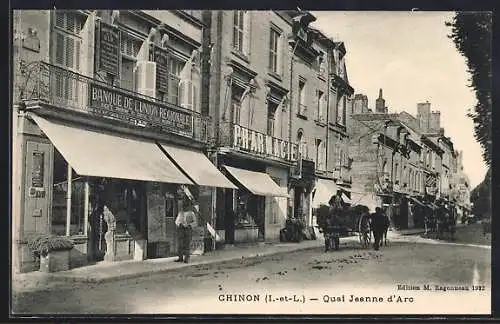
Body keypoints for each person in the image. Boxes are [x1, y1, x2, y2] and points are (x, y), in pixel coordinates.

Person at [175, 198, 197, 263]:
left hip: (188, 229)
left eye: (186, 205)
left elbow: (195, 222)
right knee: (180, 244)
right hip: (181, 229)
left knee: (187, 243)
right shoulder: (180, 213)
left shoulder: (191, 213)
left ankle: (186, 258)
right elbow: (176, 221)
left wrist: (190, 225)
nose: (185, 207)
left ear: (188, 206)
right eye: (184, 205)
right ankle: (180, 257)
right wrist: (179, 224)